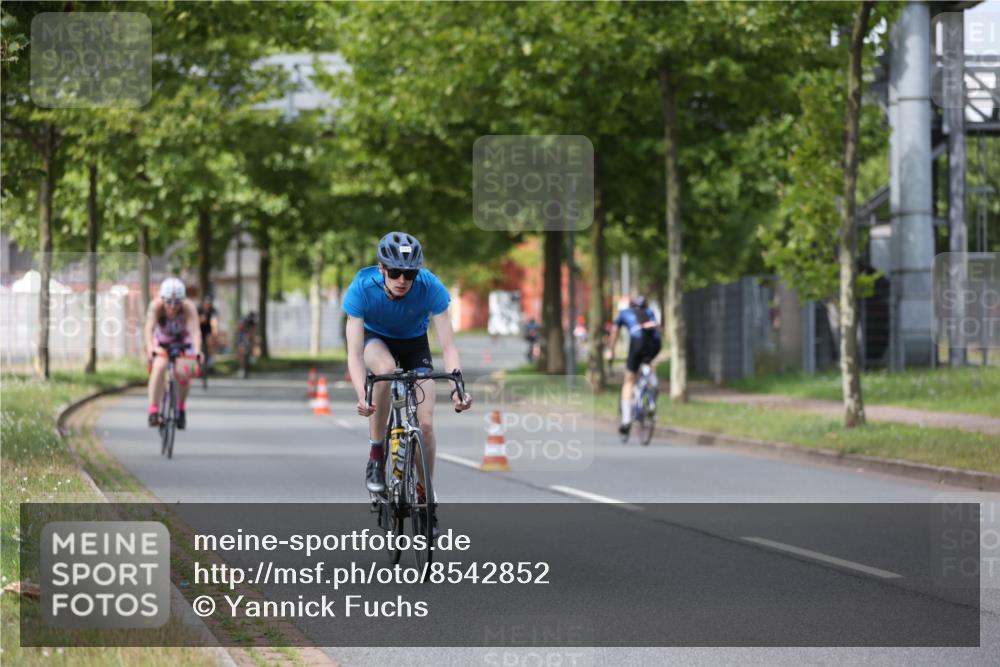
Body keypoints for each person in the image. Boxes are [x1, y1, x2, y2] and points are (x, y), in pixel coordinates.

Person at [343, 231, 472, 511]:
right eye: (395, 272)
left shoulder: (431, 287)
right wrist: (362, 396)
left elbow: (449, 347)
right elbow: (354, 353)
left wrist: (457, 390)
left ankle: (425, 493)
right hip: (375, 339)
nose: (402, 280)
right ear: (381, 268)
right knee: (385, 368)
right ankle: (376, 456)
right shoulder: (361, 287)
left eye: (410, 274)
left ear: (418, 272)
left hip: (414, 343)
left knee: (425, 426)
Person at [144, 277, 202, 429]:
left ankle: (181, 408)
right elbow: (149, 328)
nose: (172, 306)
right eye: (168, 302)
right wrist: (150, 348)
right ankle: (153, 410)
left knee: (184, 371)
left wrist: (197, 351)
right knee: (159, 366)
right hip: (162, 342)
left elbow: (195, 331)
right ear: (162, 298)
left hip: (183, 342)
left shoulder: (188, 307)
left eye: (177, 302)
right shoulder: (155, 306)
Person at [608, 295, 662, 435]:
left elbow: (614, 333)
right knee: (649, 364)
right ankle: (652, 389)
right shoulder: (648, 311)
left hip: (638, 343)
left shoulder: (623, 313)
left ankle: (626, 421)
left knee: (629, 381)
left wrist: (611, 352)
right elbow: (657, 328)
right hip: (655, 344)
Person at [197, 292, 219, 374]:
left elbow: (214, 322)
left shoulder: (213, 311)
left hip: (208, 330)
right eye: (206, 303)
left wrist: (215, 334)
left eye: (209, 303)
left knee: (210, 341)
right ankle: (198, 364)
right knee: (198, 344)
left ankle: (210, 361)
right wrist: (200, 320)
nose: (208, 305)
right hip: (198, 330)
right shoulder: (198, 309)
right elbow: (193, 322)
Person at [236, 312, 257, 378]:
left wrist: (252, 339)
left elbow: (253, 332)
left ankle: (251, 356)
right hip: (241, 335)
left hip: (248, 336)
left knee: (250, 346)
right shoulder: (243, 320)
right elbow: (239, 328)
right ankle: (242, 368)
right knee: (241, 351)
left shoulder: (253, 322)